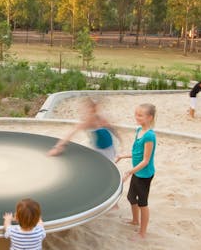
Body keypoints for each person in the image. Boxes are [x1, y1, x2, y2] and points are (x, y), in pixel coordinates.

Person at [116, 103, 157, 240]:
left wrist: (129, 172)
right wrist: (123, 156)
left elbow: (145, 160)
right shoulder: (139, 130)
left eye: (140, 115)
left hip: (144, 175)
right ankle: (135, 220)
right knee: (131, 198)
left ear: (149, 117)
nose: (137, 117)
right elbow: (137, 153)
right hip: (137, 172)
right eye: (136, 114)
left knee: (142, 203)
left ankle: (142, 233)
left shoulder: (149, 136)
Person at [49, 96, 119, 161]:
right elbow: (71, 133)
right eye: (86, 109)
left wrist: (119, 138)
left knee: (110, 161)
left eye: (91, 109)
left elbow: (110, 127)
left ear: (94, 109)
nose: (87, 112)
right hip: (101, 149)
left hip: (109, 146)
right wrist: (58, 147)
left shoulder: (99, 118)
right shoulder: (87, 122)